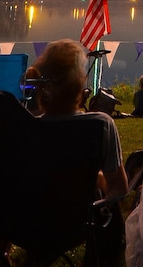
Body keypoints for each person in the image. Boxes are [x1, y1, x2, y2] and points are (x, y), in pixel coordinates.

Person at [34, 41, 128, 201]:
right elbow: (119, 187)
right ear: (79, 85)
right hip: (85, 218)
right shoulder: (101, 124)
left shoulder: (29, 127)